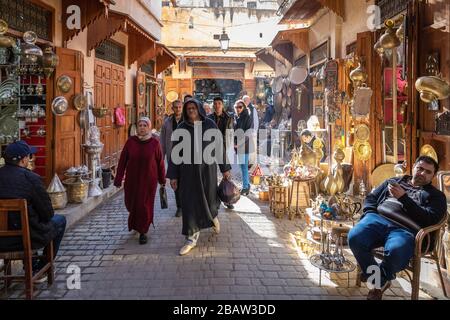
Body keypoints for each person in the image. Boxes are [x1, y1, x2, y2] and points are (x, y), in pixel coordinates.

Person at [348, 156, 447, 300]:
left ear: (433, 176)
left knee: (397, 251)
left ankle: (376, 280)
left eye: (428, 172)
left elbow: (429, 219)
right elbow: (371, 198)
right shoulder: (394, 181)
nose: (422, 173)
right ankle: (380, 280)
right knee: (355, 237)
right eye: (420, 168)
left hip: (405, 230)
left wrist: (404, 198)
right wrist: (369, 213)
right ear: (413, 167)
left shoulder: (437, 196)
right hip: (377, 219)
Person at [167, 99, 231, 256]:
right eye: (188, 108)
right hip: (187, 174)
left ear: (199, 109)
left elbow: (219, 148)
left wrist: (225, 168)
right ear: (185, 111)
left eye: (193, 107)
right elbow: (175, 154)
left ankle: (213, 217)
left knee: (209, 199)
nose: (191, 110)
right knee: (189, 203)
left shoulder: (210, 125)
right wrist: (173, 176)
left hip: (207, 171)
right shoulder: (181, 127)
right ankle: (191, 237)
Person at [0, 141, 66, 278]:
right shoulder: (31, 178)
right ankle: (39, 266)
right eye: (29, 156)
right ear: (24, 159)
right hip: (26, 239)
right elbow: (48, 213)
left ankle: (33, 263)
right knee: (59, 220)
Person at [114, 117, 166, 245]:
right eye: (140, 125)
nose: (142, 127)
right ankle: (137, 224)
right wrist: (118, 178)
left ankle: (143, 231)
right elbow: (122, 161)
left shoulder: (154, 143)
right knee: (132, 204)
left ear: (149, 127)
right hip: (132, 180)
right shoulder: (131, 142)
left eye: (145, 125)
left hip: (149, 181)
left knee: (145, 205)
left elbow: (160, 163)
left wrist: (162, 179)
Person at [209, 96, 235, 210]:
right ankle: (213, 200)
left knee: (226, 175)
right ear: (213, 106)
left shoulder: (228, 118)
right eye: (215, 103)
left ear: (222, 105)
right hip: (210, 150)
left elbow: (230, 134)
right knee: (211, 176)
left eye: (219, 103)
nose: (217, 105)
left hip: (224, 148)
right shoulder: (209, 118)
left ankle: (228, 200)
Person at [160, 100, 184, 217]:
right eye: (176, 107)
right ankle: (179, 206)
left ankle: (187, 205)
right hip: (172, 156)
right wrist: (161, 157)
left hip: (187, 157)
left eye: (180, 107)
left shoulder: (188, 120)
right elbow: (163, 141)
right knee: (175, 181)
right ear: (172, 109)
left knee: (187, 182)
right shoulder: (167, 122)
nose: (178, 109)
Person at [234, 99, 253, 196]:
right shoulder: (238, 117)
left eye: (240, 107)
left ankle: (245, 187)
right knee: (242, 166)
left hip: (244, 145)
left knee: (244, 166)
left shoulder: (247, 117)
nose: (238, 109)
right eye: (237, 107)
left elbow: (248, 133)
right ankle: (247, 185)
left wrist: (239, 144)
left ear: (244, 108)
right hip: (239, 145)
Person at [243, 95, 258, 166]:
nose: (246, 102)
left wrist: (255, 131)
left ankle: (252, 163)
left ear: (249, 101)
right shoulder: (241, 108)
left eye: (247, 100)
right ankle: (246, 162)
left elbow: (256, 121)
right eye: (244, 100)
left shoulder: (253, 109)